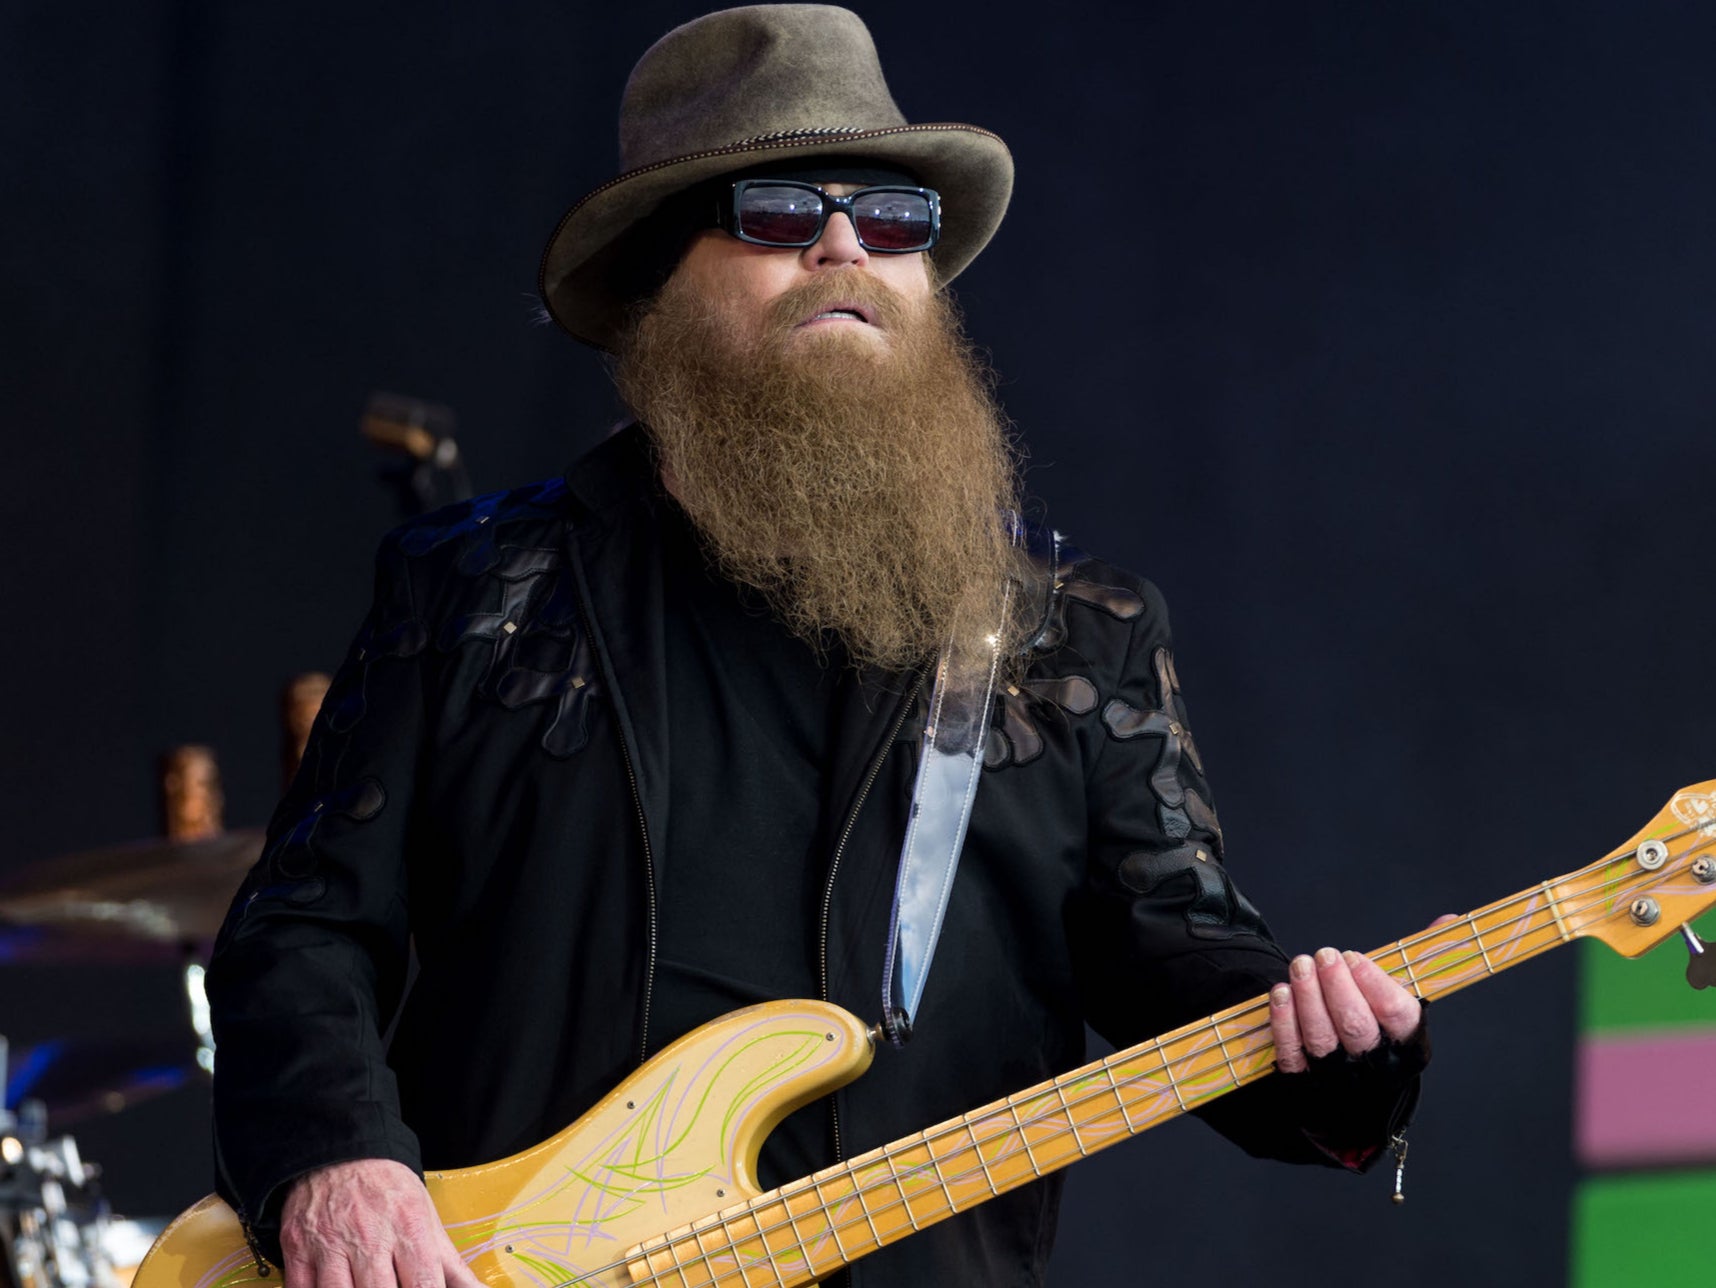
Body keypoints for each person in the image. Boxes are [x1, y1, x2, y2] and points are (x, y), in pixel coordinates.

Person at [207, 7, 1432, 1286]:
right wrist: (333, 1157)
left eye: (894, 219)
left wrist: (1344, 1050)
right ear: (653, 284)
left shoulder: (1069, 638)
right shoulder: (474, 589)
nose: (847, 245)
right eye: (780, 212)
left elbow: (1184, 964)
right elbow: (301, 933)